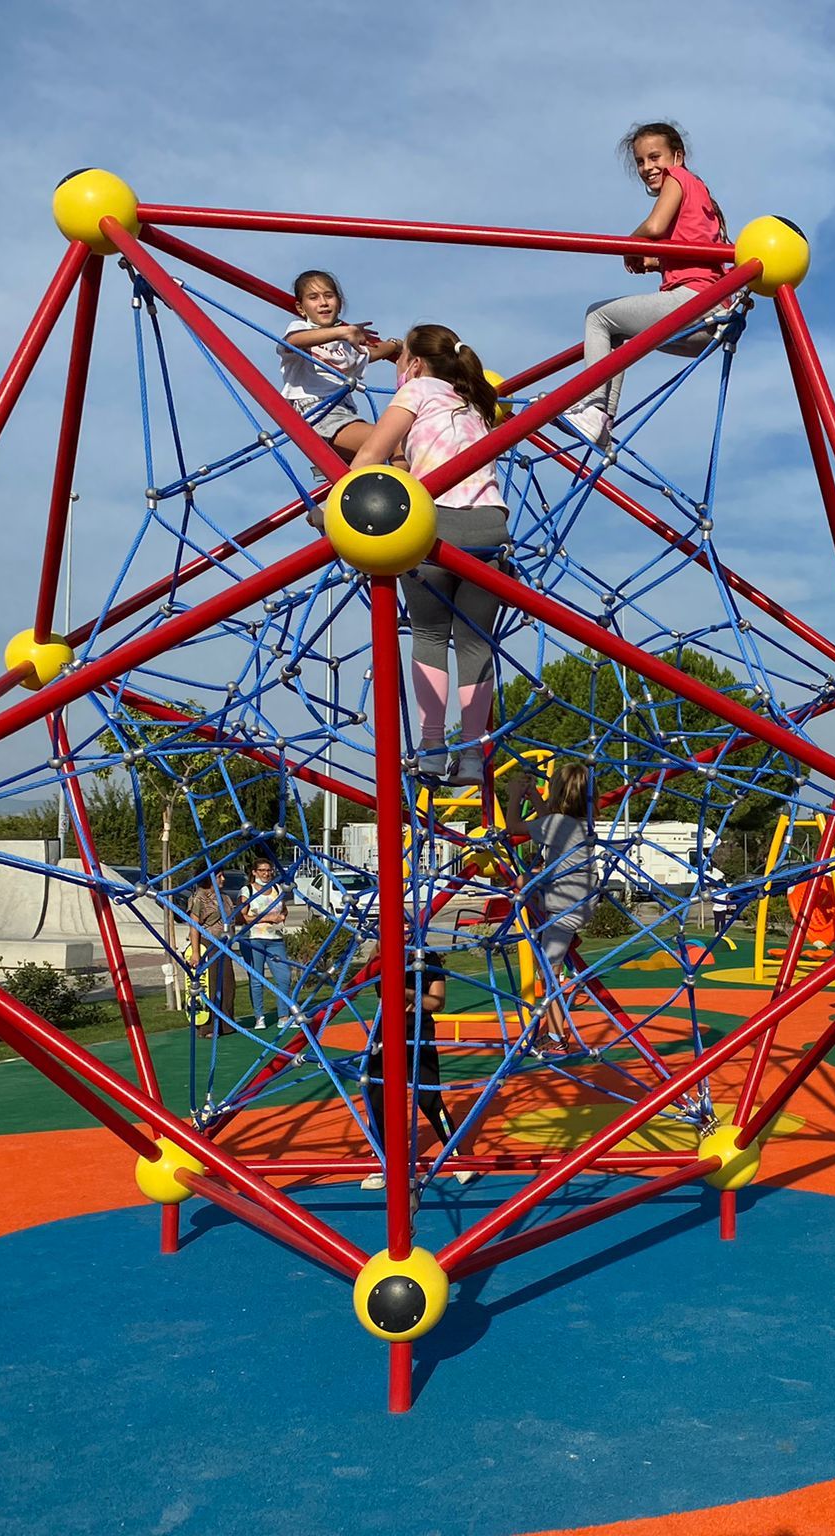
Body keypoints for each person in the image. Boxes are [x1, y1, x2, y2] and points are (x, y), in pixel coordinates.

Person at [351, 323, 510, 784]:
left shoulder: (417, 389)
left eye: (401, 359)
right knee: (476, 641)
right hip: (489, 525)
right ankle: (476, 757)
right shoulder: (478, 401)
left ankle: (433, 748)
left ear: (416, 364)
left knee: (429, 635)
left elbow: (370, 456)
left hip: (434, 524)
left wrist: (331, 507)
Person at [562, 122, 729, 450]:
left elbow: (654, 226)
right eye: (640, 161)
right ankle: (602, 422)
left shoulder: (678, 178)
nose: (648, 167)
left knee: (598, 317)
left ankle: (593, 407)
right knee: (618, 334)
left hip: (696, 305)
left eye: (655, 157)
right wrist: (654, 262)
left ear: (677, 157)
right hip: (710, 320)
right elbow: (692, 252)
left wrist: (630, 245)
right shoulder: (700, 196)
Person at [362, 951, 471, 1189]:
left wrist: (406, 994)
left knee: (429, 1099)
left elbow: (437, 1003)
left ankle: (455, 1156)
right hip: (386, 1031)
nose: (404, 932)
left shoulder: (426, 959)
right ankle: (380, 1161)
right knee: (376, 1098)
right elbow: (365, 984)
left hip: (418, 1031)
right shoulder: (380, 957)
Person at [277, 270, 401, 460]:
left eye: (329, 296)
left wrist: (397, 345)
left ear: (339, 303)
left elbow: (370, 353)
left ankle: (394, 486)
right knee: (394, 443)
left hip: (346, 413)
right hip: (317, 411)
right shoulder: (301, 329)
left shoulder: (345, 342)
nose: (323, 303)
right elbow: (292, 342)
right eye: (313, 297)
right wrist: (343, 332)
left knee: (401, 447)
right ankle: (400, 488)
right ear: (301, 309)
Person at [518, 761, 599, 1048]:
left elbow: (515, 827)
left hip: (563, 911)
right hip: (581, 903)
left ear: (557, 793)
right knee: (529, 882)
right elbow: (548, 823)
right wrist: (535, 799)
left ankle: (556, 1038)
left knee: (548, 975)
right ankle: (566, 940)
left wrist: (515, 797)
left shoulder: (555, 824)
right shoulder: (580, 824)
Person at [235, 858, 291, 1031]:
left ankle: (284, 1016)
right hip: (253, 939)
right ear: (254, 872)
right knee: (257, 979)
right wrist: (267, 918)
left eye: (269, 870)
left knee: (284, 977)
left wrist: (281, 917)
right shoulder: (247, 890)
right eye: (262, 870)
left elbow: (283, 909)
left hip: (274, 939)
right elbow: (240, 917)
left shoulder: (276, 888)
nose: (266, 874)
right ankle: (259, 1016)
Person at [185, 874, 234, 1035]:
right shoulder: (200, 897)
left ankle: (226, 1024)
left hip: (224, 945)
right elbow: (194, 925)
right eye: (219, 876)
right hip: (207, 942)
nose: (223, 879)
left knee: (227, 983)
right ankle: (208, 1027)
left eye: (222, 875)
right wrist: (196, 953)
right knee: (211, 984)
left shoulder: (225, 897)